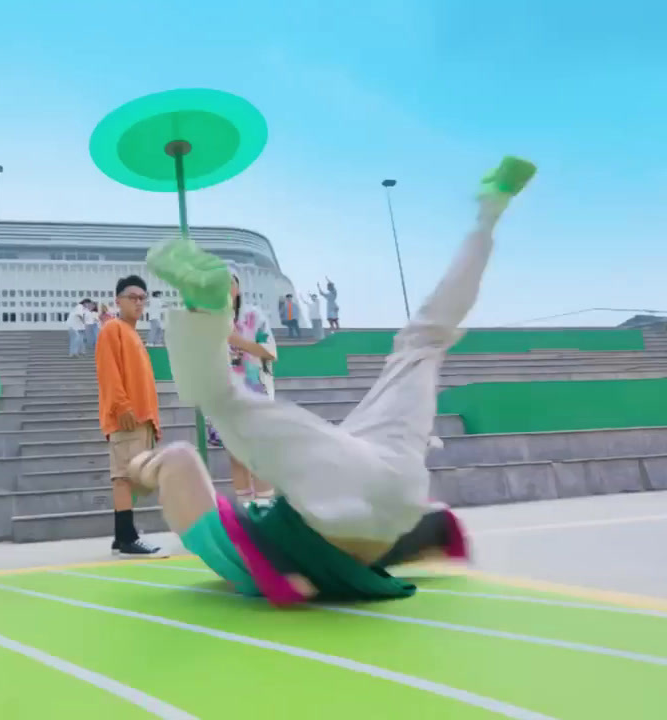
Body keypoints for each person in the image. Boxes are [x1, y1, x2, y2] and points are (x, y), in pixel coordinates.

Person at [130, 156, 535, 603]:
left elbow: (181, 460)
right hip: (380, 479)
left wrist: (146, 466)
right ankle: (489, 212)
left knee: (420, 341)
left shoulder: (242, 554)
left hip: (373, 495)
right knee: (423, 340)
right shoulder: (244, 548)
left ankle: (488, 212)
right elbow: (183, 459)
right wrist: (154, 466)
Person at [95, 275, 169, 558]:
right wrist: (122, 406)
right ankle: (127, 539)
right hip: (126, 416)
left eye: (142, 298)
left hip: (142, 417)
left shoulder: (133, 334)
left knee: (132, 477)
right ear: (118, 300)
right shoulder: (112, 328)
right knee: (124, 477)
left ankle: (121, 537)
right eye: (132, 297)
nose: (138, 302)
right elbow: (109, 372)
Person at [205, 271, 278, 506]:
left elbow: (270, 352)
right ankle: (248, 511)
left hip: (255, 395)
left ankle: (266, 511)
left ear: (238, 289)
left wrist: (238, 342)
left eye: (230, 283)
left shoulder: (254, 316)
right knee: (236, 458)